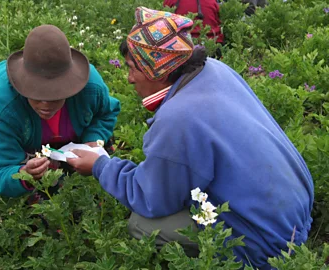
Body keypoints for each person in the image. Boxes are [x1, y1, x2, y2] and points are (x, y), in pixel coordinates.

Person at [67, 7, 313, 270]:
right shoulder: (214, 70)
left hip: (266, 246)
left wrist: (100, 166)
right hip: (294, 217)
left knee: (141, 225)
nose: (129, 79)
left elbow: (152, 199)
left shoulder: (177, 117)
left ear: (156, 70)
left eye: (132, 68)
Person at [0, 25, 120, 198]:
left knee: (103, 155)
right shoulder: (3, 107)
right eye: (36, 93)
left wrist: (92, 141)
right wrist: (24, 174)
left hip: (54, 138)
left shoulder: (90, 87)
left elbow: (106, 113)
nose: (45, 104)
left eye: (54, 94)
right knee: (37, 195)